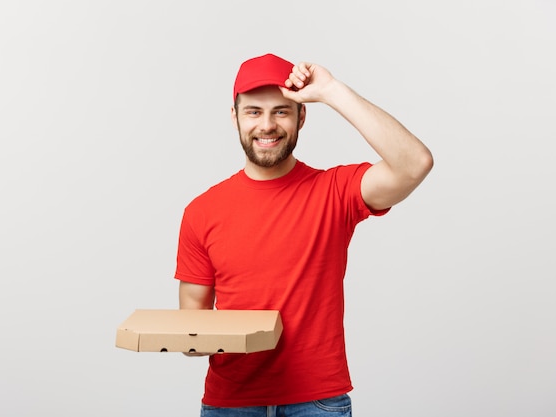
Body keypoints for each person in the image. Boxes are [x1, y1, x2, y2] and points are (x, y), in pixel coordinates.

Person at [174, 53, 433, 416]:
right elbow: (192, 332)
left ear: (301, 116)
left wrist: (331, 91)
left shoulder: (334, 191)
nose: (267, 125)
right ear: (235, 118)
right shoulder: (202, 212)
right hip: (230, 404)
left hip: (316, 402)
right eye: (253, 112)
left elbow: (414, 163)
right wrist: (210, 336)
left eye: (281, 111)